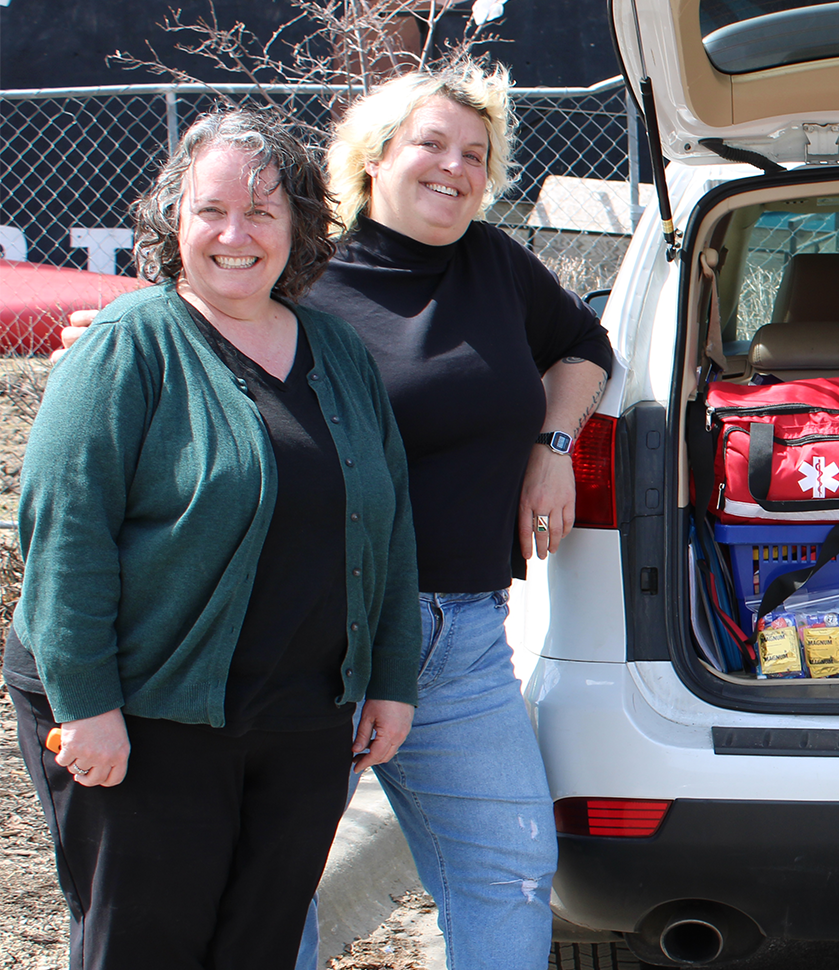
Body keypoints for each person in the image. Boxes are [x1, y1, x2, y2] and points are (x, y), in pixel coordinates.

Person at [3, 108, 418, 969]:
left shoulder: (336, 351)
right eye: (212, 211)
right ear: (172, 221)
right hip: (149, 715)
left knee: (259, 947)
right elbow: (63, 532)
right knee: (144, 946)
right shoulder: (127, 346)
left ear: (299, 225)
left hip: (302, 720)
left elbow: (387, 527)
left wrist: (388, 679)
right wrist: (87, 706)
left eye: (263, 212)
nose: (237, 234)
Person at [294, 58, 615, 969]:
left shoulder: (496, 265)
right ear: (373, 156)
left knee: (510, 870)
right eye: (430, 143)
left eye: (476, 153)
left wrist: (552, 451)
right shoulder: (303, 278)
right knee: (278, 882)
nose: (455, 167)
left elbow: (584, 346)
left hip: (465, 635)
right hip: (323, 634)